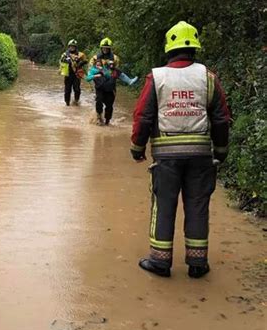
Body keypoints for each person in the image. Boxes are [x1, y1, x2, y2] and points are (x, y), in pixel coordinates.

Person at [130, 21, 230, 278]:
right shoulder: (208, 78)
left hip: (166, 159)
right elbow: (220, 118)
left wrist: (137, 148)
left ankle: (160, 262)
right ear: (195, 47)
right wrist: (220, 151)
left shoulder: (157, 77)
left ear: (168, 48)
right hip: (200, 157)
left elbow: (143, 116)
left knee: (163, 205)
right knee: (197, 205)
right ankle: (197, 264)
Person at [87, 58, 138, 125]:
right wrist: (95, 75)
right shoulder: (93, 70)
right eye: (97, 65)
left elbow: (119, 76)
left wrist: (129, 81)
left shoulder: (114, 71)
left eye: (112, 63)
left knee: (109, 106)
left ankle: (107, 121)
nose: (111, 65)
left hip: (110, 91)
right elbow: (88, 78)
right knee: (99, 101)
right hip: (100, 90)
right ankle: (99, 117)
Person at [60, 39, 87, 106]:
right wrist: (66, 61)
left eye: (73, 46)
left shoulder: (81, 54)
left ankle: (76, 101)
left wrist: (80, 63)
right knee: (67, 90)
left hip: (76, 74)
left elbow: (86, 60)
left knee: (77, 89)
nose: (72, 48)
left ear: (76, 47)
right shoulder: (65, 54)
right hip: (68, 74)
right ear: (69, 47)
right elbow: (61, 62)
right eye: (71, 46)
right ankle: (67, 103)